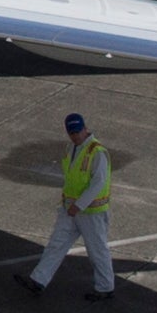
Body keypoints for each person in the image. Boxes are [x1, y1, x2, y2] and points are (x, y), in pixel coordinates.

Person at [27, 114, 116, 300]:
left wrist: (79, 204)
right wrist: (71, 205)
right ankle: (38, 280)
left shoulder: (97, 152)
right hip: (70, 209)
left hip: (91, 212)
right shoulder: (71, 148)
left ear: (85, 129)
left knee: (97, 250)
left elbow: (98, 183)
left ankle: (105, 287)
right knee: (56, 244)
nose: (75, 136)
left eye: (77, 131)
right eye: (71, 133)